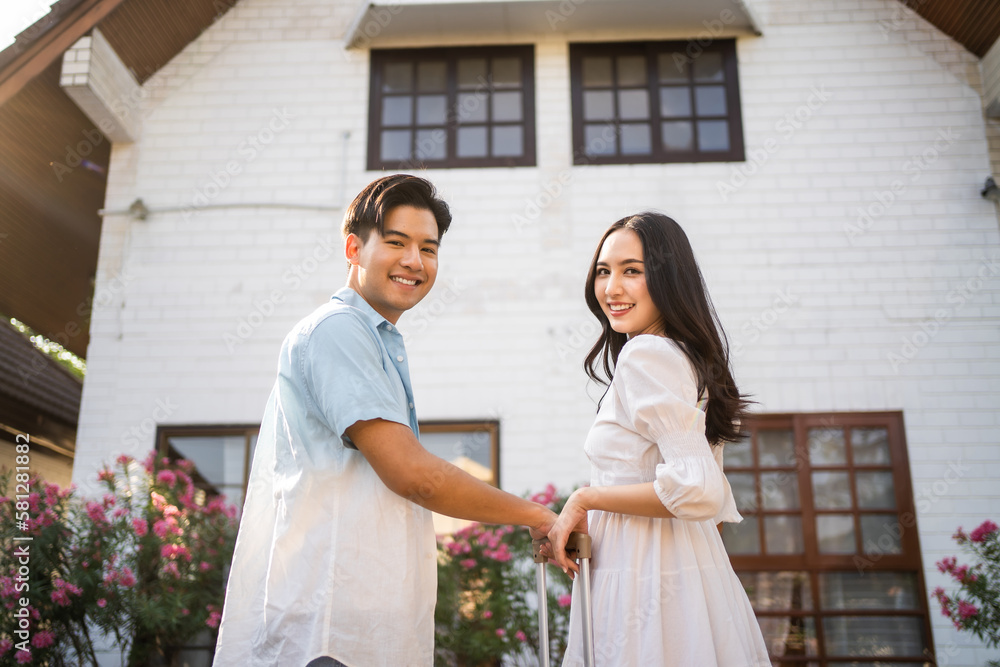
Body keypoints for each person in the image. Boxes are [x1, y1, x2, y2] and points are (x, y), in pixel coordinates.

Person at [213, 174, 556, 667]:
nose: (415, 261)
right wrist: (537, 514)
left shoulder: (376, 339)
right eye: (396, 243)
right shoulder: (338, 331)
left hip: (356, 627)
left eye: (428, 248)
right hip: (329, 632)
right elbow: (413, 475)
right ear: (354, 247)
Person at [546, 212, 771, 666]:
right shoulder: (683, 359)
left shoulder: (646, 354)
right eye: (603, 272)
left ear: (669, 278)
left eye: (632, 271)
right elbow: (714, 509)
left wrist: (586, 499)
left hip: (642, 580)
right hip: (684, 576)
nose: (611, 288)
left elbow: (698, 490)